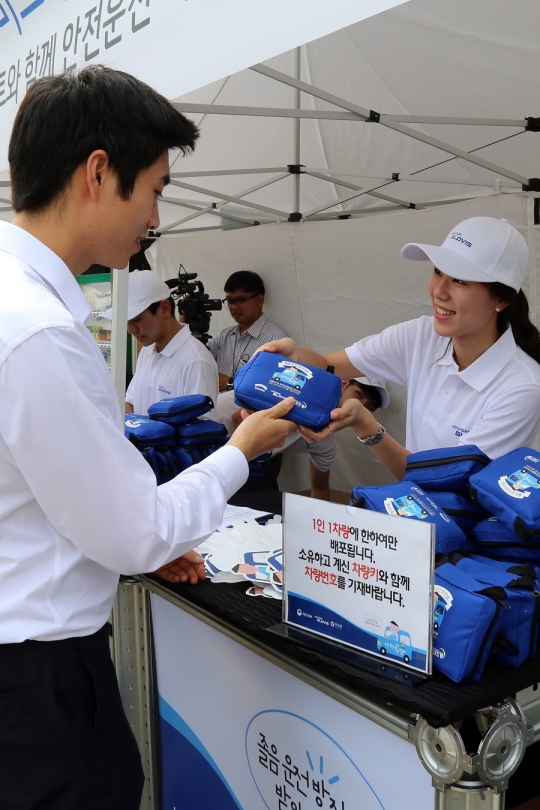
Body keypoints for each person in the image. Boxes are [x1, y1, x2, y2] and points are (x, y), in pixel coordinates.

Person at [0, 65, 296, 810]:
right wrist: (242, 450)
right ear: (99, 172)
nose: (156, 217)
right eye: (157, 188)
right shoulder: (36, 330)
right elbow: (136, 532)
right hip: (39, 683)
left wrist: (134, 538)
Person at [260, 217, 540, 479]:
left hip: (469, 528)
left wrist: (368, 428)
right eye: (437, 271)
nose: (438, 291)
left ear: (501, 300)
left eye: (459, 280)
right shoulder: (421, 335)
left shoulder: (522, 388)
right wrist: (293, 356)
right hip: (415, 516)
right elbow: (326, 363)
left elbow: (447, 482)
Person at [100, 269, 218, 413]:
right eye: (125, 321)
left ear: (165, 308)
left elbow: (200, 430)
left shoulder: (196, 361)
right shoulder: (147, 351)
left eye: (137, 319)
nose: (131, 329)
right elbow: (131, 404)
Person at [273, 377, 390, 500]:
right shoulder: (288, 399)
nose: (359, 407)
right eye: (359, 394)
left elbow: (320, 489)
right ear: (344, 384)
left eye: (369, 407)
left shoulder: (324, 442)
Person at [207, 270, 287, 392]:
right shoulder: (225, 335)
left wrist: (230, 383)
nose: (233, 307)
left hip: (248, 410)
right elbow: (197, 358)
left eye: (240, 300)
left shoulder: (275, 339)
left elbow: (273, 387)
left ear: (259, 300)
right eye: (229, 301)